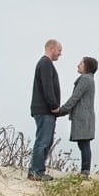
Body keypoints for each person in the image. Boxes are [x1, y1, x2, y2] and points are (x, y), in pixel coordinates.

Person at [28, 39, 62, 181]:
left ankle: (36, 169)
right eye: (59, 51)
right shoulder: (45, 64)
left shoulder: (46, 64)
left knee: (45, 141)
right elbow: (47, 87)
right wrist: (54, 106)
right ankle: (36, 171)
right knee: (43, 141)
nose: (60, 54)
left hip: (44, 110)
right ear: (51, 48)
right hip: (44, 110)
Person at [58, 56, 98, 178]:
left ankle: (85, 171)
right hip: (85, 116)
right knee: (83, 143)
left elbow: (75, 98)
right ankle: (84, 171)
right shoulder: (88, 79)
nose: (78, 65)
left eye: (81, 63)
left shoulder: (85, 79)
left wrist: (61, 110)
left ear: (87, 66)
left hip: (83, 117)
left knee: (84, 143)